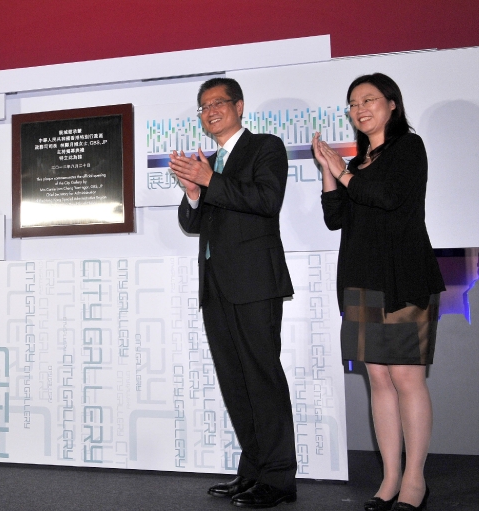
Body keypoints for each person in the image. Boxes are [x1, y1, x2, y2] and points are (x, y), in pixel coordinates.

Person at [313, 73, 444, 511]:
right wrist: (330, 173)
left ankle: (414, 481)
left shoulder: (408, 147)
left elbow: (386, 197)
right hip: (361, 282)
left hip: (403, 280)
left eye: (369, 99)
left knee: (408, 378)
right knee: (379, 379)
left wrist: (343, 172)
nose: (360, 108)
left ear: (391, 104)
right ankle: (388, 479)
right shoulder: (360, 160)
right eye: (353, 103)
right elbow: (337, 218)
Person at [169, 77, 297, 508]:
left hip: (255, 282)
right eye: (203, 107)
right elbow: (194, 224)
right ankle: (254, 470)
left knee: (262, 378)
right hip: (217, 286)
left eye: (218, 103)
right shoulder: (212, 161)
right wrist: (193, 194)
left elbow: (267, 200)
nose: (210, 111)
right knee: (235, 382)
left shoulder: (266, 147)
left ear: (239, 106)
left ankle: (279, 478)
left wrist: (210, 179)